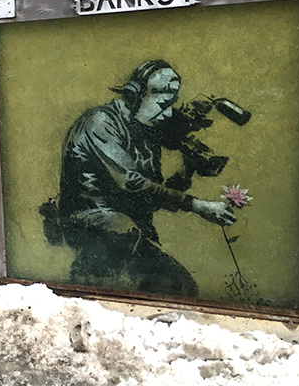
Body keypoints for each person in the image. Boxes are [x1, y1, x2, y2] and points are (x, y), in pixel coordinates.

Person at [56, 60, 236, 297]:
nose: (168, 113)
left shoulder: (145, 133)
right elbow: (131, 182)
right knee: (120, 231)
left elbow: (152, 195)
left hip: (132, 231)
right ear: (134, 95)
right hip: (90, 222)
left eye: (172, 104)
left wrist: (187, 168)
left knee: (181, 285)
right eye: (163, 103)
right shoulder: (101, 122)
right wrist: (196, 205)